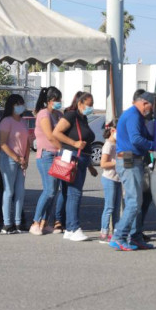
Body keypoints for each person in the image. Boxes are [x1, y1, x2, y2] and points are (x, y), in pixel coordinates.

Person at [109, 90, 155, 251]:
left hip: (131, 160)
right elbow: (136, 139)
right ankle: (119, 236)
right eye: (151, 106)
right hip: (129, 160)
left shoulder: (134, 115)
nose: (151, 110)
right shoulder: (134, 116)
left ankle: (135, 237)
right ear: (144, 103)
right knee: (134, 202)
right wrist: (154, 146)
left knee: (136, 200)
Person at [52, 92, 98, 242]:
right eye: (89, 104)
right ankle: (73, 227)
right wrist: (74, 144)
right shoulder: (71, 116)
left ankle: (69, 229)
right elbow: (56, 132)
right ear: (80, 103)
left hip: (80, 159)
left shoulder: (83, 118)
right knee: (74, 193)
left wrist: (90, 166)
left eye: (92, 104)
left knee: (69, 193)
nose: (91, 107)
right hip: (73, 158)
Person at [28, 86, 64, 236]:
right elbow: (50, 136)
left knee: (54, 191)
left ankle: (45, 222)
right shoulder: (44, 114)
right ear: (49, 101)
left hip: (57, 155)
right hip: (46, 155)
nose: (59, 103)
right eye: (56, 100)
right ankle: (35, 222)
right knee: (49, 190)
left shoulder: (58, 114)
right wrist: (63, 148)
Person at [0, 94, 30, 234]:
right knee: (9, 191)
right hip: (8, 158)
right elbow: (2, 144)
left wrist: (25, 159)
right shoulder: (6, 121)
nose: (20, 106)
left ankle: (18, 222)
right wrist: (17, 158)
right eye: (17, 104)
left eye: (21, 103)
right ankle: (7, 223)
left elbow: (27, 142)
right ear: (11, 106)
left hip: (21, 159)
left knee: (20, 192)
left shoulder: (23, 122)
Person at [98, 120, 121, 243]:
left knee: (117, 208)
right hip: (109, 178)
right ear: (113, 130)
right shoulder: (108, 145)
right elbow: (103, 164)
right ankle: (104, 232)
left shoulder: (117, 144)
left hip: (117, 179)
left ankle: (116, 232)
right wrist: (116, 163)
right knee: (109, 207)